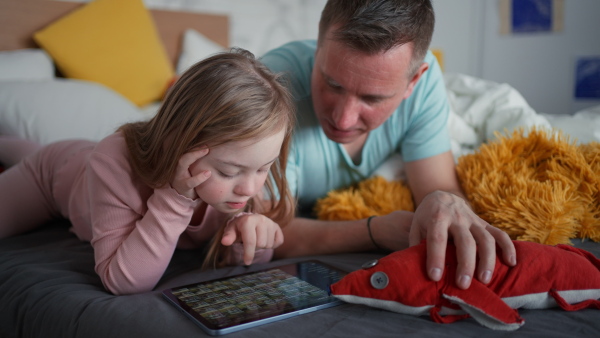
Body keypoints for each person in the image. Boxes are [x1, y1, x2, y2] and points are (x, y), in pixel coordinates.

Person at [261, 0, 516, 290]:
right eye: (333, 84)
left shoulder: (427, 81)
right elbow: (268, 231)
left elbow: (436, 188)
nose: (343, 120)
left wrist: (444, 201)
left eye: (373, 99)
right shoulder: (270, 87)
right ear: (317, 48)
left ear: (414, 81)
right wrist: (375, 231)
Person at [0, 48, 296, 295]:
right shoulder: (113, 160)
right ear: (178, 143)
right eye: (230, 172)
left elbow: (242, 262)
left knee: (29, 149)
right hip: (53, 174)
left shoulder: (242, 170)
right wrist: (174, 201)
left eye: (263, 169)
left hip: (79, 160)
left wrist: (251, 239)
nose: (250, 188)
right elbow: (121, 282)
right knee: (31, 155)